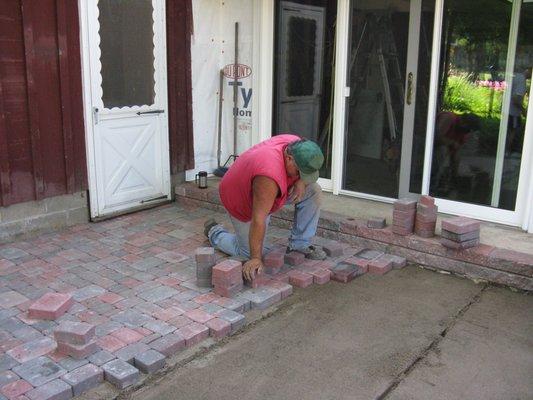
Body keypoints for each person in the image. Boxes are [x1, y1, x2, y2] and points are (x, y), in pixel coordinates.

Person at [204, 134, 326, 281]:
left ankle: (300, 244)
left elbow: (303, 175)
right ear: (289, 159)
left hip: (265, 187)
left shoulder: (295, 144)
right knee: (248, 253)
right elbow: (258, 218)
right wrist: (255, 258)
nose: (302, 176)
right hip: (241, 197)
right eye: (301, 173)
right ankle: (215, 232)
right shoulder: (268, 177)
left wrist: (301, 181)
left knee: (314, 190)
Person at [508, 66, 531, 154]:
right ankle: (508, 151)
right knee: (513, 131)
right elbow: (515, 99)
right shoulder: (522, 81)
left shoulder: (517, 76)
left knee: (512, 130)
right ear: (528, 70)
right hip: (513, 112)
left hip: (509, 110)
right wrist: (523, 110)